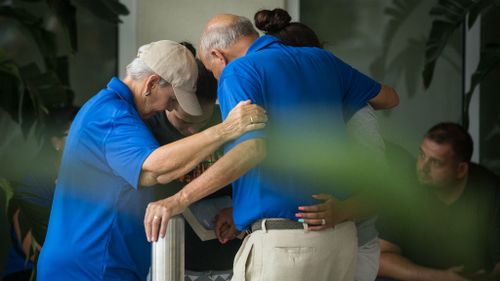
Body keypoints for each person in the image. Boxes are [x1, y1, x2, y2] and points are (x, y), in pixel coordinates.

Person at [144, 15, 398, 281]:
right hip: (340, 240)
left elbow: (252, 150)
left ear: (219, 56)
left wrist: (177, 200)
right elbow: (389, 98)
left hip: (285, 246)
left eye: (212, 70)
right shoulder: (322, 60)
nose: (218, 81)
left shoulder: (238, 70)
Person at [37, 40, 267, 281]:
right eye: (170, 101)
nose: (168, 109)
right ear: (152, 83)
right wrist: (227, 129)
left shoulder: (113, 110)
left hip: (105, 265)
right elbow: (158, 168)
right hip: (91, 267)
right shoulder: (114, 116)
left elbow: (152, 175)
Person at [146, 42, 240, 281]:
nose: (194, 132)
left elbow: (256, 175)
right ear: (172, 100)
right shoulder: (147, 131)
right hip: (169, 261)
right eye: (186, 121)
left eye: (202, 122)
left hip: (229, 260)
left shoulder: (228, 122)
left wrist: (240, 212)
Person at [377, 123, 500, 281]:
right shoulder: (404, 185)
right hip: (419, 277)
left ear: (461, 169)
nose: (423, 168)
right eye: (422, 155)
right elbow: (381, 258)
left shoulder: (490, 190)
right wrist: (440, 277)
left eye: (436, 162)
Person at [3, 105, 79, 281]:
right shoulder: (33, 184)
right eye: (75, 134)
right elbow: (39, 252)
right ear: (56, 142)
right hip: (28, 273)